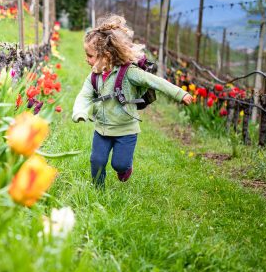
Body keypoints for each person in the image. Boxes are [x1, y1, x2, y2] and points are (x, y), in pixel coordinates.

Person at [72, 15, 193, 187]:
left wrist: (180, 94)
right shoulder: (94, 76)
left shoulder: (129, 73)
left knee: (119, 164)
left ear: (105, 55)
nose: (87, 59)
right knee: (96, 161)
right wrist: (80, 112)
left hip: (126, 129)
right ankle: (97, 189)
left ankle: (125, 167)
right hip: (103, 128)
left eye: (90, 55)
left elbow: (154, 81)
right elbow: (84, 95)